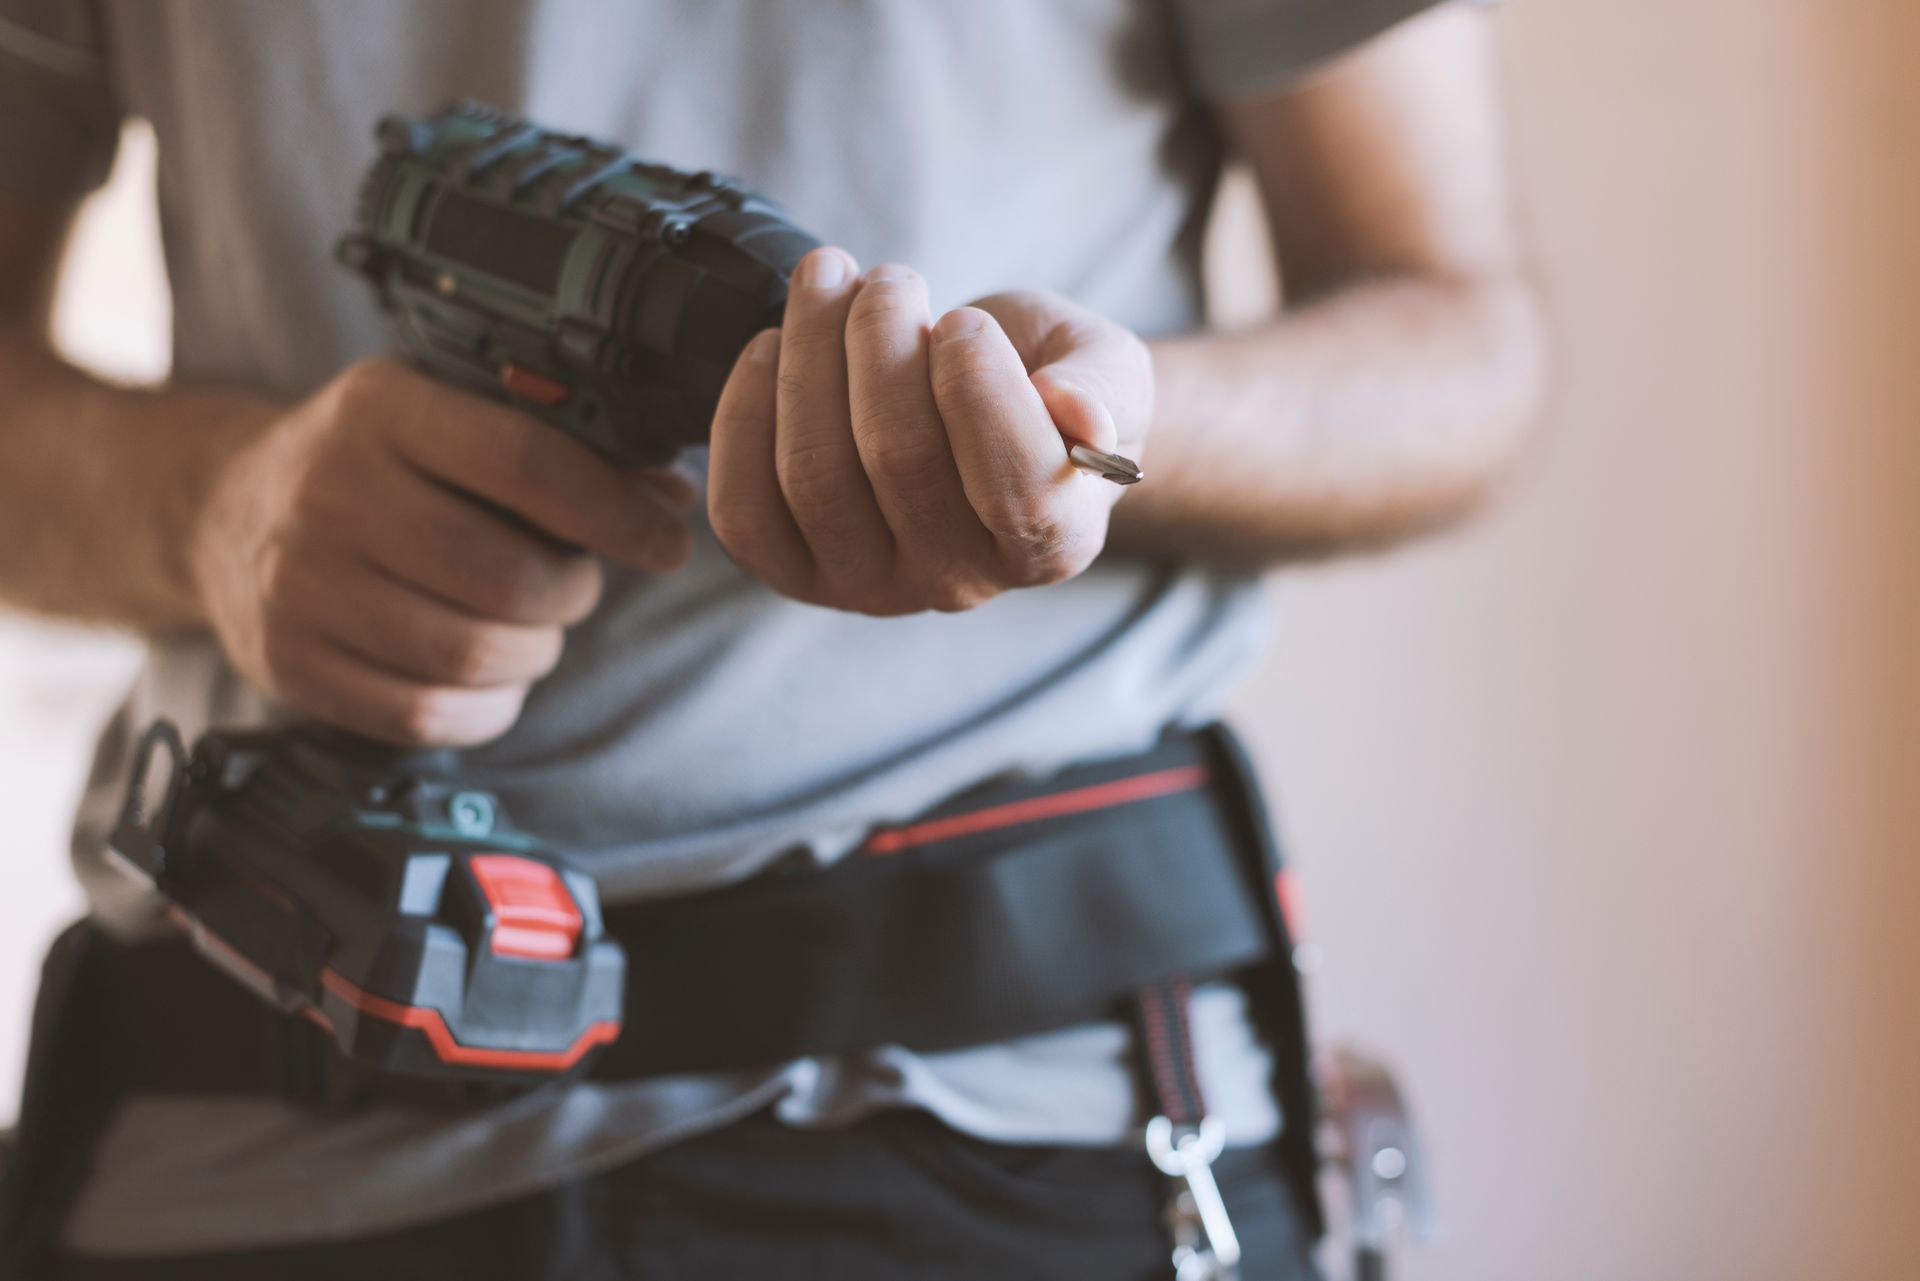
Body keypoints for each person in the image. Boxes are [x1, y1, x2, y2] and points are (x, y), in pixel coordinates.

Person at [0, 0, 1545, 1276]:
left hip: (1026, 1126)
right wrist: (209, 506)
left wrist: (1079, 438)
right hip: (265, 1111)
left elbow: (1458, 337)